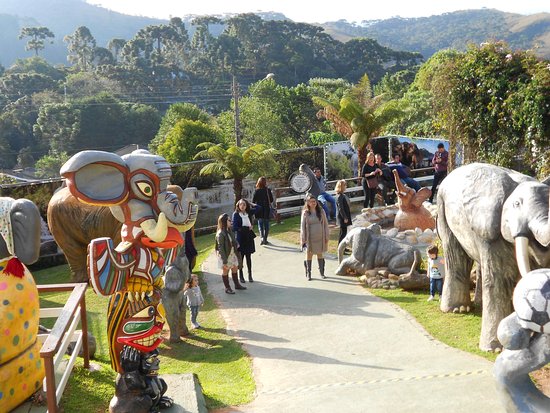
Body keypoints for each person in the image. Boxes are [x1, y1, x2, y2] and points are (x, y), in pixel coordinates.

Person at [300, 193, 330, 280]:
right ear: (308, 203)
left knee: (320, 254)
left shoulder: (321, 211)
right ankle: (308, 274)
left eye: (315, 201)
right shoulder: (305, 213)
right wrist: (303, 239)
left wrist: (326, 236)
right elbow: (302, 227)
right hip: (309, 238)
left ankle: (322, 273)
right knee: (309, 255)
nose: (314, 203)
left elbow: (326, 224)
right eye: (312, 201)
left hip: (320, 237)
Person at [215, 213, 246, 294]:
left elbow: (233, 239)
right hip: (226, 255)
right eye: (229, 220)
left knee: (235, 267)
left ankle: (237, 284)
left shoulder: (229, 230)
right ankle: (227, 288)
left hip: (232, 253)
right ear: (224, 222)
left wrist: (236, 243)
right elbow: (221, 248)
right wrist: (224, 261)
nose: (231, 221)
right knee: (226, 270)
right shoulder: (220, 234)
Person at [232, 198, 260, 283]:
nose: (242, 206)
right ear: (238, 205)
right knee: (241, 257)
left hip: (248, 237)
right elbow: (234, 227)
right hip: (241, 237)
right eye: (241, 204)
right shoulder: (236, 214)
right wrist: (245, 228)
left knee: (249, 257)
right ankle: (241, 275)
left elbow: (259, 208)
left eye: (244, 204)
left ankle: (250, 275)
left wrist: (251, 203)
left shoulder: (248, 212)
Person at [252, 176, 275, 245]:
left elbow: (253, 201)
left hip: (259, 210)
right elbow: (271, 200)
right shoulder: (268, 190)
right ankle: (265, 239)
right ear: (265, 183)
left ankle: (262, 238)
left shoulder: (256, 191)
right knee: (266, 226)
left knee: (260, 225)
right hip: (266, 210)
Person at [335, 180, 352, 244]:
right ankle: (341, 246)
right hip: (342, 217)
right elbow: (341, 208)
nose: (346, 187)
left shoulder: (341, 195)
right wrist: (345, 217)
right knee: (343, 233)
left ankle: (342, 246)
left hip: (342, 216)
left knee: (343, 232)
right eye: (344, 185)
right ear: (341, 186)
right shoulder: (340, 196)